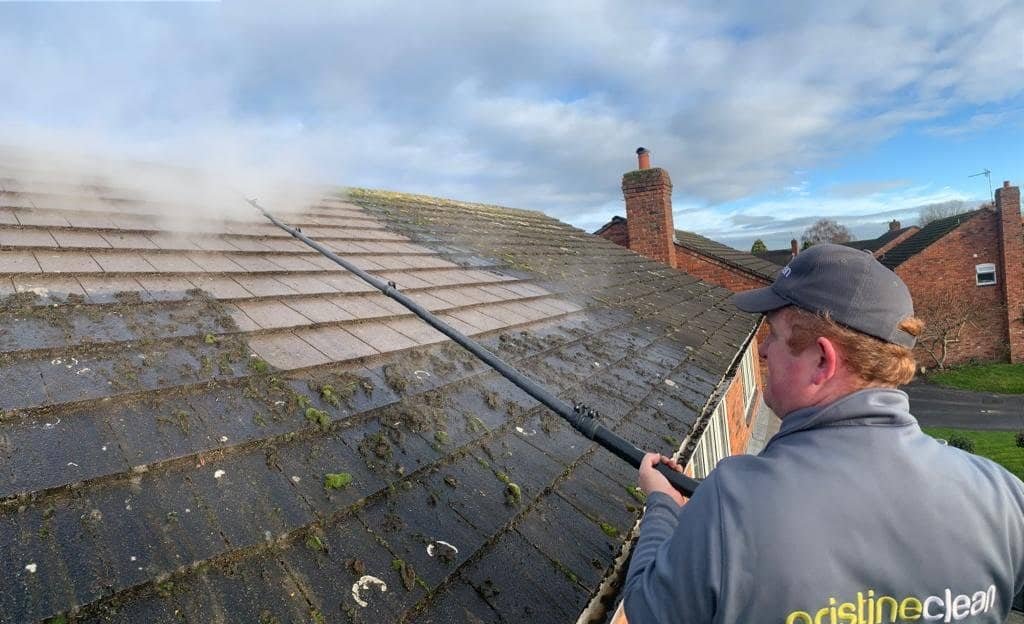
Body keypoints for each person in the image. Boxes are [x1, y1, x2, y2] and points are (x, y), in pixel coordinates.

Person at [623, 244, 1024, 624]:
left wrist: (662, 504)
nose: (762, 351)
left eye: (774, 336)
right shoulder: (1004, 496)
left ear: (821, 361)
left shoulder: (731, 504)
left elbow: (647, 609)